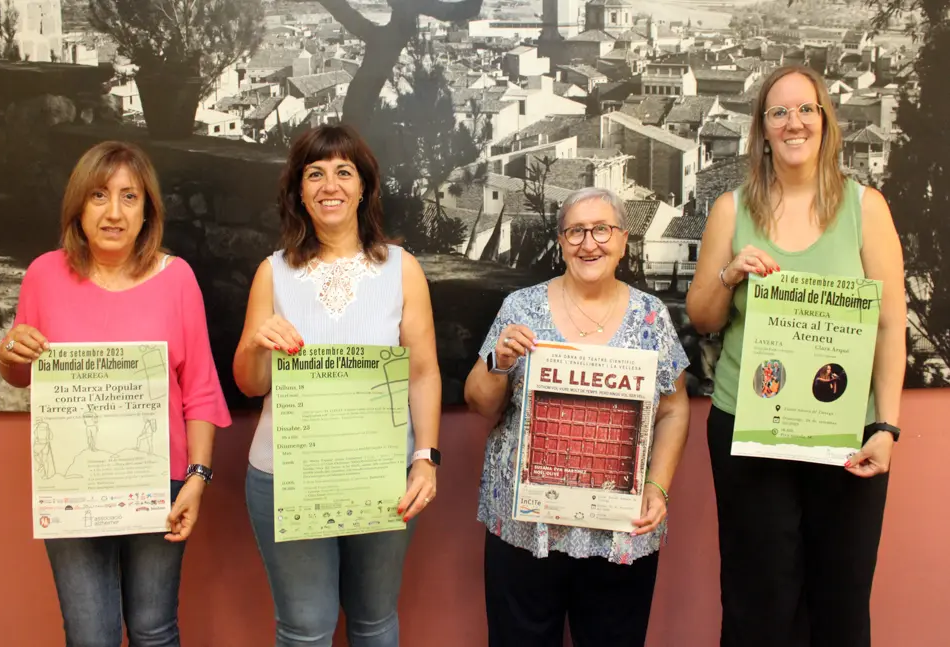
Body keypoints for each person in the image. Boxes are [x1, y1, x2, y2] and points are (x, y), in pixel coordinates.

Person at [686, 65, 906, 647]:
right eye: (778, 112)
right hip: (750, 428)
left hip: (847, 435)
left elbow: (889, 327)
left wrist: (886, 427)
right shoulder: (731, 211)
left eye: (805, 109)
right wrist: (731, 273)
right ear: (761, 129)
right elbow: (703, 318)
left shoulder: (867, 208)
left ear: (825, 121)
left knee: (839, 601)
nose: (793, 122)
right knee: (759, 602)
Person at [0, 140, 232, 647]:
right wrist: (7, 355)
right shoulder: (43, 274)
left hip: (160, 484)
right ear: (79, 205)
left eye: (130, 197)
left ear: (148, 210)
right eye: (100, 195)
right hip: (73, 485)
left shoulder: (178, 279)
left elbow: (201, 389)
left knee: (154, 629)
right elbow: (20, 372)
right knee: (90, 635)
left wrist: (198, 477)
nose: (114, 212)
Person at [233, 124, 442, 647]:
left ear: (364, 187)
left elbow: (423, 372)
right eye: (315, 173)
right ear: (299, 191)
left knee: (373, 623)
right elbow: (250, 384)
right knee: (305, 629)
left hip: (382, 475)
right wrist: (257, 345)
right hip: (287, 474)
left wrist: (426, 457)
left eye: (344, 172)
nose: (330, 185)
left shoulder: (402, 268)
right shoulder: (272, 273)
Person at [463, 186, 691, 647]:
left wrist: (657, 486)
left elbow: (673, 408)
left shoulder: (651, 316)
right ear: (561, 242)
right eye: (576, 231)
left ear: (624, 240)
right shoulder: (521, 308)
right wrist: (500, 362)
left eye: (602, 229)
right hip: (527, 525)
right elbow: (479, 402)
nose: (590, 243)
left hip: (619, 527)